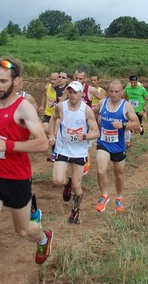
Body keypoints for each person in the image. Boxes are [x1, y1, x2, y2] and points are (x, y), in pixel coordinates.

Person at [0, 57, 53, 283]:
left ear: (15, 81)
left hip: (16, 177)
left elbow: (42, 144)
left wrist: (7, 146)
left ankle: (43, 237)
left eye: (3, 81)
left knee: (23, 230)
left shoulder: (24, 108)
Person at [48, 81, 100, 224]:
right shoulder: (61, 106)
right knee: (57, 180)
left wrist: (85, 136)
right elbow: (53, 120)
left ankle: (75, 211)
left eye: (75, 92)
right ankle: (67, 183)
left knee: (77, 186)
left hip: (79, 152)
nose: (72, 95)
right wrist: (51, 135)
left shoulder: (86, 110)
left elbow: (96, 132)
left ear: (81, 94)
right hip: (63, 148)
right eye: (70, 92)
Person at [95, 80, 140, 213]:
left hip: (118, 145)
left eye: (117, 92)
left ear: (122, 92)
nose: (114, 94)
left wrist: (124, 125)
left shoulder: (126, 106)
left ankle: (119, 197)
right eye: (111, 91)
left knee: (118, 174)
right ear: (108, 91)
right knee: (100, 171)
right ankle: (104, 195)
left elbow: (137, 124)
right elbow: (91, 112)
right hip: (103, 143)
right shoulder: (102, 103)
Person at [123, 75, 148, 148]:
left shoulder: (142, 89)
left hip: (139, 111)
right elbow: (125, 98)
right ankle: (127, 142)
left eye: (134, 82)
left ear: (137, 81)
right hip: (130, 111)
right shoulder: (127, 88)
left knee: (137, 130)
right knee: (127, 126)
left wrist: (144, 110)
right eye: (131, 82)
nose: (133, 84)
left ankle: (140, 128)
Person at [40, 72, 60, 162]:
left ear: (59, 80)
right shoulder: (47, 87)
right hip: (48, 114)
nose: (52, 81)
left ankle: (54, 153)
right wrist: (42, 106)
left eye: (54, 79)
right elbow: (44, 95)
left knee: (55, 133)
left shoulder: (61, 90)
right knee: (45, 129)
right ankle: (52, 145)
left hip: (57, 116)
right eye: (51, 79)